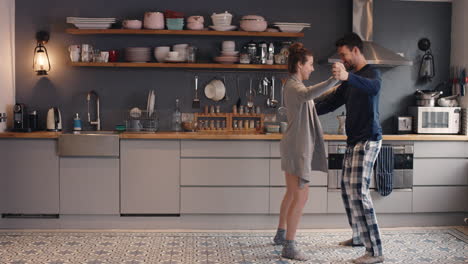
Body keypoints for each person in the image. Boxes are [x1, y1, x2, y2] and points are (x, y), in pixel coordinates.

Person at [315, 33, 385, 264]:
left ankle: (375, 251)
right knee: (347, 190)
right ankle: (358, 237)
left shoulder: (371, 74)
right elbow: (331, 102)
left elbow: (373, 88)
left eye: (344, 55)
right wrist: (307, 105)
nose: (342, 59)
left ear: (356, 51)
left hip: (369, 139)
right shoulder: (350, 79)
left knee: (360, 193)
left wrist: (347, 77)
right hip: (354, 140)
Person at [274, 42, 340, 261]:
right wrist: (333, 80)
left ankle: (281, 235)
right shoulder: (295, 86)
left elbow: (312, 95)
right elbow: (308, 94)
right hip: (297, 147)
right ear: (300, 65)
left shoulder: (294, 85)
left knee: (292, 194)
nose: (312, 68)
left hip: (293, 145)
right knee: (301, 197)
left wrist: (335, 87)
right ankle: (290, 246)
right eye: (310, 64)